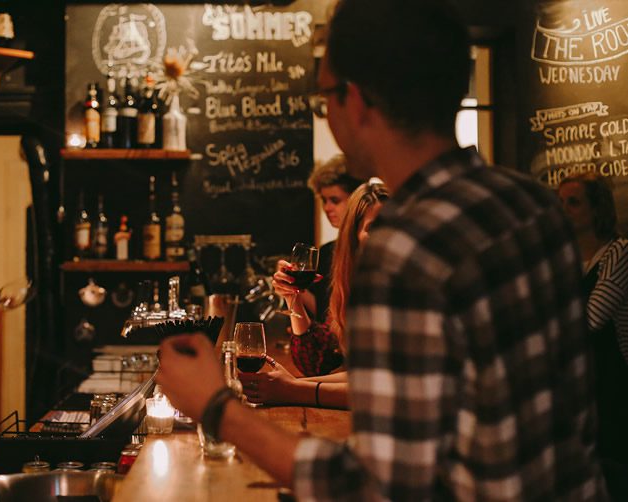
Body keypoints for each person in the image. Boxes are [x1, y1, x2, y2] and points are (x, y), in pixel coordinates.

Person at [156, 0, 605, 499]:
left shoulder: (405, 248)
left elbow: (373, 485)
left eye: (325, 95)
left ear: (357, 100)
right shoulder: (535, 207)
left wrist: (216, 406)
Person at [243, 181, 387, 408]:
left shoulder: (400, 291)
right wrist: (293, 298)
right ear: (353, 237)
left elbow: (381, 389)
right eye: (375, 227)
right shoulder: (359, 285)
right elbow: (353, 372)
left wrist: (293, 389)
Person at [558, 172, 628, 500]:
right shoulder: (563, 258)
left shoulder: (619, 254)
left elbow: (592, 318)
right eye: (559, 202)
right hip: (578, 385)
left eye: (573, 202)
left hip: (615, 382)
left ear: (597, 209)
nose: (564, 209)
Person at [302, 155, 361, 323]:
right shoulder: (327, 251)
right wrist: (293, 289)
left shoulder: (367, 250)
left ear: (356, 198)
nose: (327, 208)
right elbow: (324, 314)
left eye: (335, 200)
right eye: (323, 200)